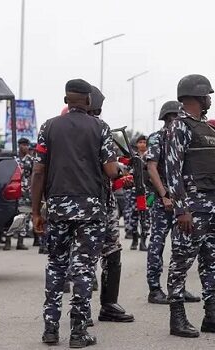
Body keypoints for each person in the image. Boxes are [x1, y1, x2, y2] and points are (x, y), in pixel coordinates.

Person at [31, 79, 120, 347]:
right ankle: (79, 333)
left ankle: (50, 330)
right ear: (89, 101)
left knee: (56, 266)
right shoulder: (100, 127)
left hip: (57, 208)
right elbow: (111, 171)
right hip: (91, 210)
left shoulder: (49, 127)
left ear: (66, 100)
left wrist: (36, 211)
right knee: (83, 269)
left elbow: (38, 171)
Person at [165, 74, 215, 338]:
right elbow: (173, 171)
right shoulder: (179, 127)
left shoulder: (207, 129)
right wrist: (182, 209)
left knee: (212, 261)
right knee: (181, 262)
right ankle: (177, 317)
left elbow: (213, 165)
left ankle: (212, 315)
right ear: (196, 96)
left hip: (213, 203)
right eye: (207, 95)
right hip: (192, 207)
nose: (209, 100)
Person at [86, 85, 134, 324]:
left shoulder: (97, 129)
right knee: (86, 256)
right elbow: (111, 168)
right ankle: (85, 311)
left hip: (102, 202)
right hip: (89, 205)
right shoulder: (93, 129)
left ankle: (107, 305)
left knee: (112, 251)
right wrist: (122, 170)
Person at [146, 100, 200, 304]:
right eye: (177, 117)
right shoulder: (157, 138)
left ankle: (178, 287)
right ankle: (154, 288)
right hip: (164, 201)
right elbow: (151, 167)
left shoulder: (184, 137)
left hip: (182, 201)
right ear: (169, 118)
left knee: (182, 246)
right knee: (157, 243)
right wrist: (164, 195)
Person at [123, 135, 151, 251]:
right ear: (137, 144)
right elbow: (125, 171)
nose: (142, 144)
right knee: (134, 217)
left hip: (147, 191)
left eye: (145, 142)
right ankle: (135, 239)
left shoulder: (150, 156)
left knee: (146, 217)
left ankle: (143, 241)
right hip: (134, 191)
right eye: (140, 142)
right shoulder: (131, 157)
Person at [4, 137, 33, 250]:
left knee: (24, 216)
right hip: (13, 189)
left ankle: (20, 242)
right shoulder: (13, 159)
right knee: (11, 215)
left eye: (26, 145)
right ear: (19, 145)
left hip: (25, 191)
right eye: (23, 145)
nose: (25, 147)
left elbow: (34, 174)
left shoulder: (30, 160)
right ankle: (7, 241)